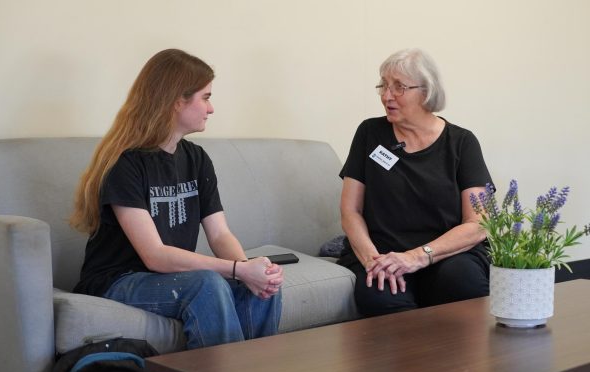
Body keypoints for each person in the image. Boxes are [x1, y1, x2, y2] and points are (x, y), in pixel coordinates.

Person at [70, 49, 284, 351]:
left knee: (263, 286)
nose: (211, 108)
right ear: (176, 101)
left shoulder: (196, 159)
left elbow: (220, 234)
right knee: (207, 285)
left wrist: (251, 269)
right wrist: (237, 270)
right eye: (205, 97)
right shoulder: (125, 164)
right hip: (117, 281)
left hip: (170, 277)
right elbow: (154, 255)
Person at [337, 48, 492, 317]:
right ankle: (413, 359)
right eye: (383, 86)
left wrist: (417, 256)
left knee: (462, 281)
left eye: (399, 87)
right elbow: (350, 211)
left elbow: (479, 223)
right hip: (383, 253)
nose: (387, 96)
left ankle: (460, 359)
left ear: (426, 91)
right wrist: (373, 261)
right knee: (379, 294)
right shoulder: (369, 133)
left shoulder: (462, 143)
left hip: (446, 253)